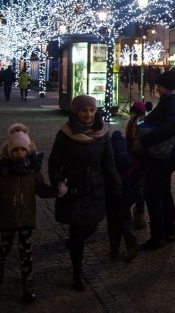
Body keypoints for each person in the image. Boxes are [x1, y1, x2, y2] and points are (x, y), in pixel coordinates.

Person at [48, 94, 120, 291]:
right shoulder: (65, 133)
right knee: (78, 231)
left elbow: (109, 161)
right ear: (76, 112)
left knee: (91, 227)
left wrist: (116, 185)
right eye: (83, 110)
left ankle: (74, 245)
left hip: (96, 187)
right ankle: (77, 271)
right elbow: (54, 162)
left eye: (91, 110)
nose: (88, 114)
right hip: (74, 188)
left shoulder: (103, 132)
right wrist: (58, 182)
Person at [0, 124, 57, 303]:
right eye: (16, 150)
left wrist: (56, 191)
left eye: (23, 149)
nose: (20, 153)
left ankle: (28, 288)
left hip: (26, 217)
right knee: (5, 246)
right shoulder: (2, 172)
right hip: (8, 217)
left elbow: (41, 189)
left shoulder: (32, 171)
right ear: (9, 151)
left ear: (28, 149)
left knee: (26, 253)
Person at [135, 70, 175, 250]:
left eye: (158, 86)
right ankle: (167, 232)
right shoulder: (171, 102)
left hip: (163, 155)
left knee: (154, 194)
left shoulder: (173, 103)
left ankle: (158, 236)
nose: (156, 89)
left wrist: (144, 140)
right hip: (163, 155)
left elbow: (168, 128)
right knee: (163, 193)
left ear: (165, 86)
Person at [107, 128, 140, 261]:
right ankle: (131, 244)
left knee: (113, 225)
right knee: (126, 222)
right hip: (126, 198)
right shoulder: (130, 162)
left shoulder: (109, 165)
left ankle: (114, 251)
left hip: (111, 198)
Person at [125, 101, 148, 230]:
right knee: (137, 187)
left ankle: (139, 216)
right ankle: (138, 215)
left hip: (137, 159)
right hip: (136, 159)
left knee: (138, 187)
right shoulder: (135, 123)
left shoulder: (136, 123)